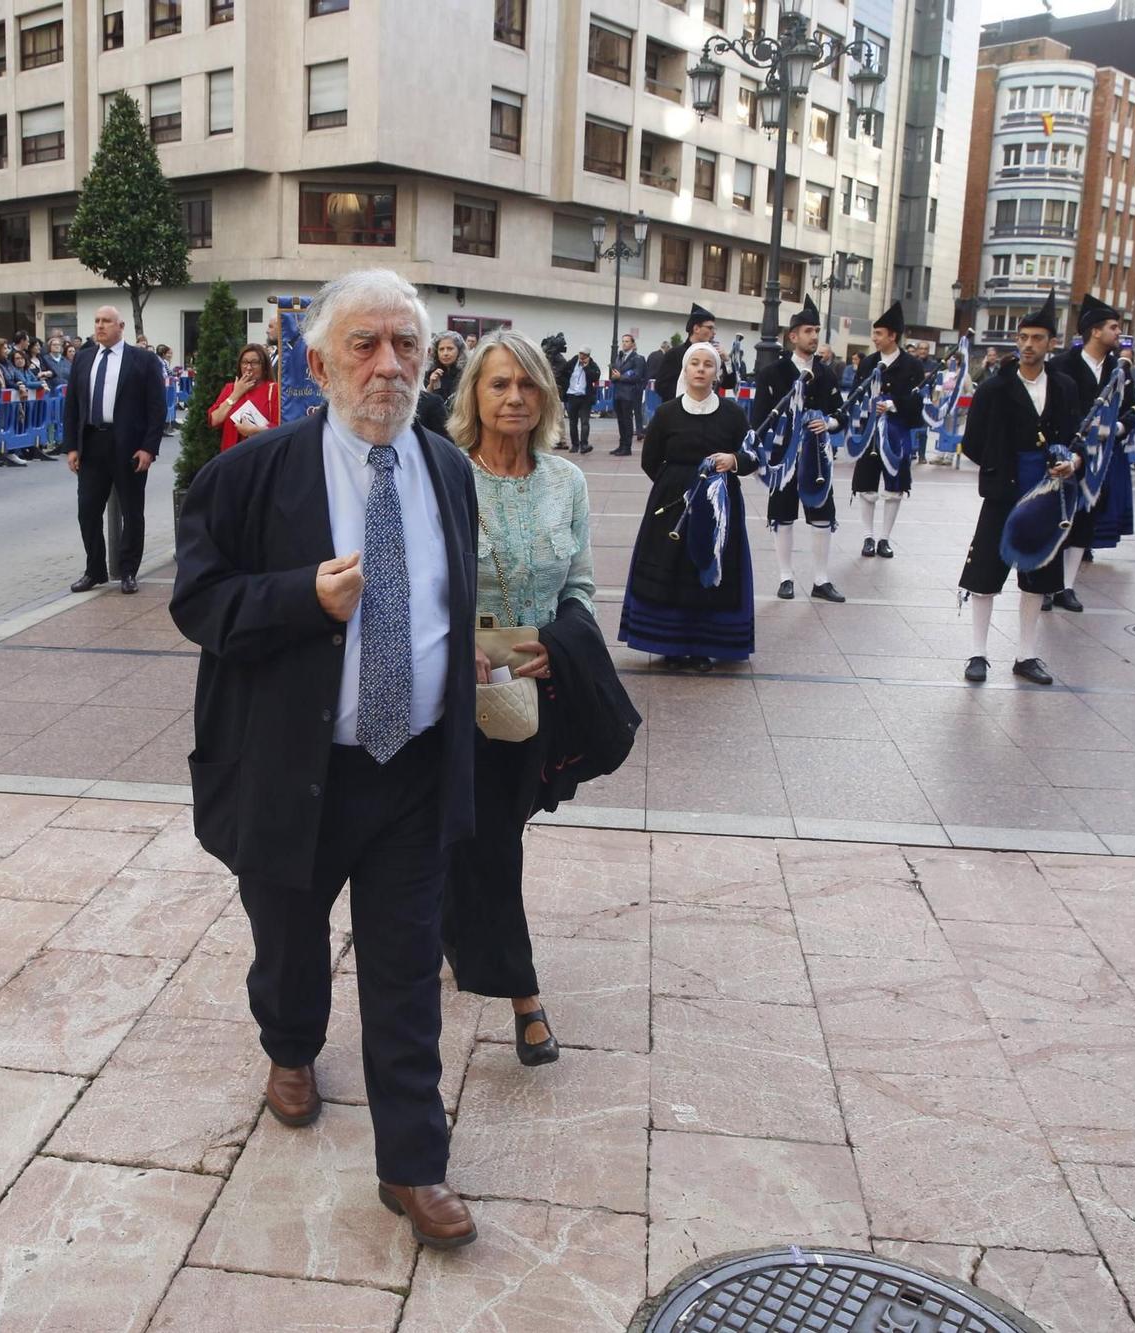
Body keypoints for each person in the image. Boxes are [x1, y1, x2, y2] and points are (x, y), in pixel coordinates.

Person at [169, 268, 481, 1251]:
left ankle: (413, 1162)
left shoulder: (447, 470)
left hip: (412, 764)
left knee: (403, 965)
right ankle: (290, 1047)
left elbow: (445, 601)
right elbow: (199, 604)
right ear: (316, 362)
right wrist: (301, 596)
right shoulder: (246, 476)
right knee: (290, 940)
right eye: (363, 344)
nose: (387, 365)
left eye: (404, 345)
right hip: (291, 770)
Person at [442, 329, 603, 1066]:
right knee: (490, 844)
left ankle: (458, 929)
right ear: (474, 393)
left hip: (532, 692)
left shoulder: (567, 482)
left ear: (546, 396)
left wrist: (556, 648)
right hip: (452, 687)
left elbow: (581, 588)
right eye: (498, 384)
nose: (514, 398)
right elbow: (415, 581)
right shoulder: (446, 473)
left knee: (495, 834)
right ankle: (524, 997)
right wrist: (454, 642)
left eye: (527, 385)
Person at [957, 296, 1079, 686]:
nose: (1029, 344)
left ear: (1051, 343)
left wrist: (1071, 463)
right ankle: (978, 653)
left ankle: (1026, 655)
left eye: (1038, 338)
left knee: (1037, 577)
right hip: (1003, 491)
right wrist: (999, 469)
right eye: (1023, 337)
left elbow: (1079, 438)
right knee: (985, 574)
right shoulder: (995, 387)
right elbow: (972, 441)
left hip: (1046, 494)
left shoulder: (1064, 387)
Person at [619, 341, 757, 670]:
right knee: (672, 569)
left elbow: (753, 457)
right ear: (685, 369)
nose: (700, 369)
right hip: (673, 505)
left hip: (719, 506)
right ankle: (671, 644)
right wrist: (676, 485)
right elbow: (651, 461)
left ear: (716, 372)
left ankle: (703, 646)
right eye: (694, 363)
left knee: (708, 570)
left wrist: (733, 460)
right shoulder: (667, 413)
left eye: (707, 365)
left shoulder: (733, 413)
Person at [64, 305, 166, 595]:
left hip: (129, 447)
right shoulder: (83, 359)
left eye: (106, 321)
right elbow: (72, 406)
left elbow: (156, 409)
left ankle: (128, 571)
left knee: (132, 512)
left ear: (121, 326)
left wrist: (149, 448)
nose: (100, 326)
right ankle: (94, 570)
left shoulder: (143, 361)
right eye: (96, 321)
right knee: (87, 511)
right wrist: (71, 446)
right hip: (92, 444)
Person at [1045, 294, 1135, 611]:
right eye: (1114, 327)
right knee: (1055, 517)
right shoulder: (1061, 365)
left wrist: (1116, 429)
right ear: (1095, 331)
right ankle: (1045, 585)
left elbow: (1131, 412)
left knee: (1084, 522)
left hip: (1100, 460)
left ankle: (1066, 588)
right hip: (1064, 453)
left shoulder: (1118, 371)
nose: (1118, 334)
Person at [758, 296, 848, 602]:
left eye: (817, 331)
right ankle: (785, 577)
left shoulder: (827, 373)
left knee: (822, 515)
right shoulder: (774, 373)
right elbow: (758, 419)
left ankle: (821, 580)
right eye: (808, 331)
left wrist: (829, 423)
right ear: (793, 336)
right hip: (783, 458)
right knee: (783, 516)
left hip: (818, 459)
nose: (814, 336)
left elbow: (841, 413)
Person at [850, 301, 926, 559]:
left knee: (894, 488)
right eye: (874, 333)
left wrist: (894, 404)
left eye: (879, 333)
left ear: (893, 335)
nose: (874, 338)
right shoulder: (869, 363)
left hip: (896, 434)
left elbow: (917, 403)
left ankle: (885, 538)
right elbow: (856, 395)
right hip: (870, 434)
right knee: (866, 487)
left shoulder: (912, 365)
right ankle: (867, 536)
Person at [209, 343, 278, 451]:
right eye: (244, 362)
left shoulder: (274, 390)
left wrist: (255, 431)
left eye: (254, 363)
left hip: (261, 456)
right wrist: (235, 394)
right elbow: (214, 420)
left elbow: (281, 428)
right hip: (231, 457)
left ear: (264, 366)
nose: (248, 367)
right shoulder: (230, 389)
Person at [653, 305, 717, 403]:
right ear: (696, 329)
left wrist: (727, 361)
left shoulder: (713, 355)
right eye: (710, 328)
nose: (714, 333)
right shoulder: (674, 354)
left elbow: (728, 384)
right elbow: (661, 386)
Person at [608, 333, 646, 456]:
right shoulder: (619, 357)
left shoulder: (638, 358)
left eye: (627, 341)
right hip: (618, 393)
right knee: (620, 420)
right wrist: (614, 377)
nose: (624, 343)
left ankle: (627, 447)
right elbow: (615, 373)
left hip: (629, 394)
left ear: (633, 344)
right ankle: (621, 444)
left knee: (627, 420)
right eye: (623, 341)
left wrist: (621, 377)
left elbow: (637, 375)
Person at [558, 347, 598, 454]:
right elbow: (562, 372)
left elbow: (595, 377)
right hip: (572, 396)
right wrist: (565, 384)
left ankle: (584, 444)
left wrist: (586, 367)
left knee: (585, 422)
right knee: (573, 422)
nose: (581, 356)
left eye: (584, 355)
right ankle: (575, 445)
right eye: (580, 354)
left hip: (585, 397)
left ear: (588, 356)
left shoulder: (592, 364)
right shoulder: (573, 361)